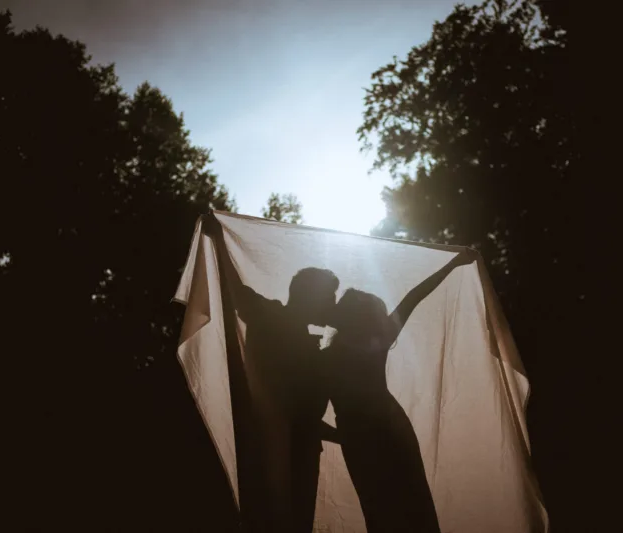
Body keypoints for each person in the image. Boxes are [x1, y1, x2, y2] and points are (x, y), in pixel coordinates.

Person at [201, 213, 339, 533]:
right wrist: (219, 240)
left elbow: (302, 415)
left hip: (302, 453)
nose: (331, 306)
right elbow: (234, 288)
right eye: (328, 299)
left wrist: (343, 435)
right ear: (310, 297)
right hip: (269, 452)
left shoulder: (309, 342)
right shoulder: (270, 316)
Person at [325, 251, 476, 533]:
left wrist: (453, 264)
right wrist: (453, 264)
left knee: (389, 507)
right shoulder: (372, 343)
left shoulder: (336, 355)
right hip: (379, 431)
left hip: (373, 432)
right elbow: (414, 296)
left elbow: (414, 296)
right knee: (397, 505)